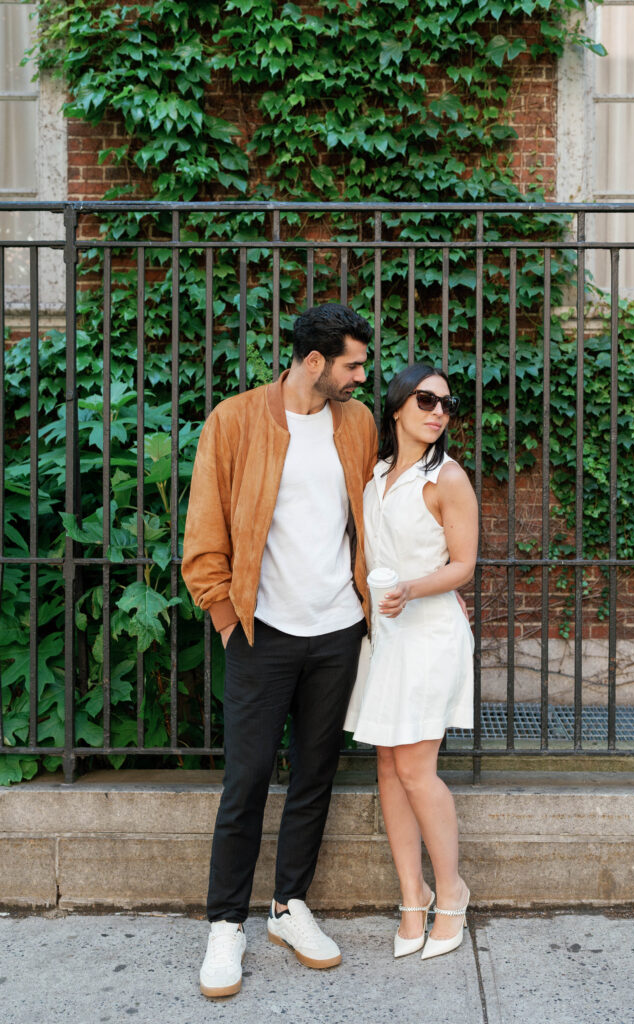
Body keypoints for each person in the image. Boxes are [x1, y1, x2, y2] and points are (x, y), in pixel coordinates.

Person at [181, 303, 377, 998]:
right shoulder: (234, 421)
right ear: (315, 362)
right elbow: (203, 538)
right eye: (353, 363)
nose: (361, 375)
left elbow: (367, 520)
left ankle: (288, 907)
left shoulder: (356, 425)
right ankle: (225, 924)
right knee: (247, 781)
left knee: (315, 775)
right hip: (262, 633)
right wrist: (232, 624)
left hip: (336, 632)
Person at [344, 363, 478, 961]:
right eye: (426, 400)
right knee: (388, 769)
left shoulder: (446, 477)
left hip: (429, 633)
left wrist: (409, 590)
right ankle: (411, 895)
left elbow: (464, 566)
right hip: (387, 639)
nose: (437, 412)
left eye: (447, 405)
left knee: (417, 770)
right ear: (397, 406)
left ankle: (451, 892)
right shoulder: (373, 477)